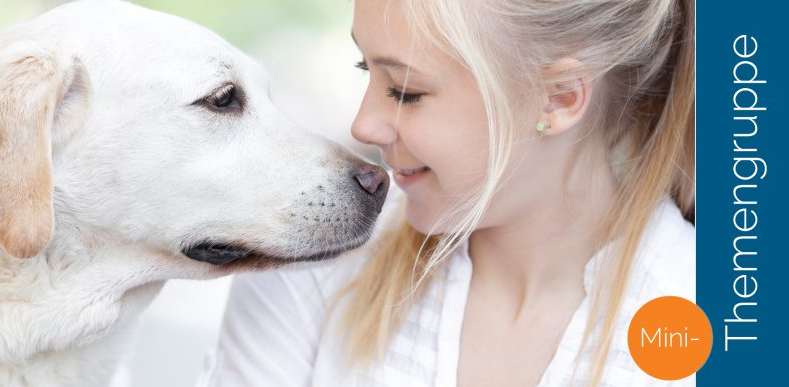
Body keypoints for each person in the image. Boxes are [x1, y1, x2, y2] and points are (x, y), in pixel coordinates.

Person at [199, 0, 695, 386]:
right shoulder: (319, 258)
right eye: (364, 70)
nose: (363, 124)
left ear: (560, 98)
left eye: (405, 91)